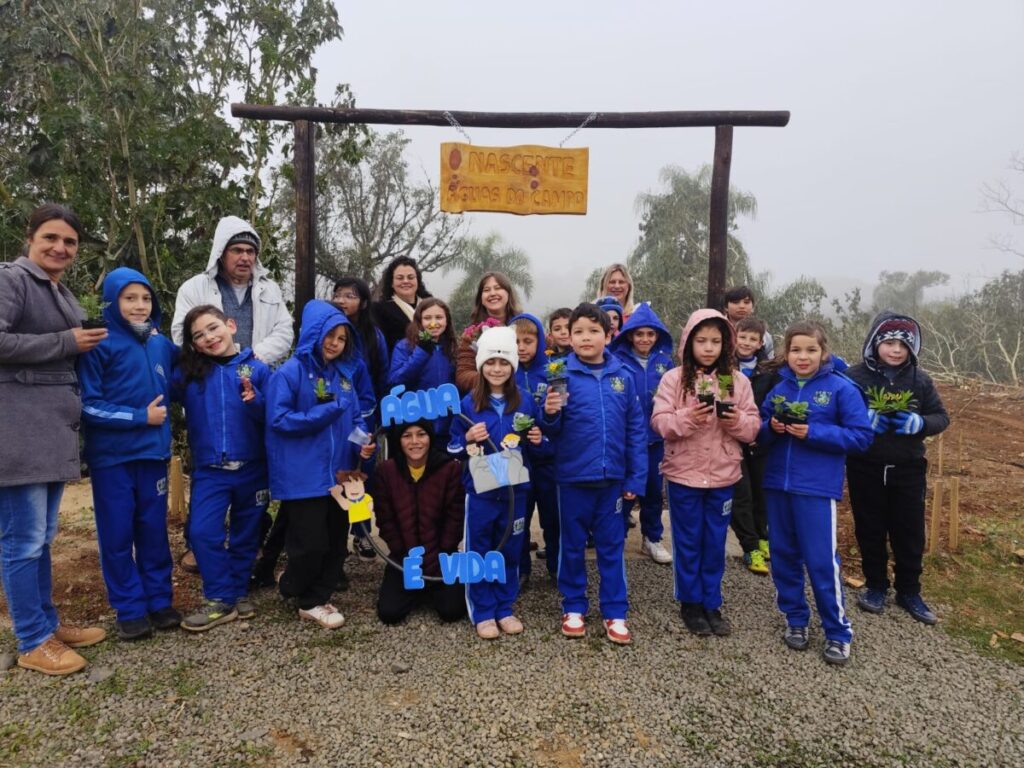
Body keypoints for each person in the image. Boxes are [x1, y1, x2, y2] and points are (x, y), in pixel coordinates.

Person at [0, 204, 107, 676]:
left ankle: (46, 624)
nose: (60, 248)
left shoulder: (57, 290)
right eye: (51, 238)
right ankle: (31, 639)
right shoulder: (12, 280)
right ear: (31, 238)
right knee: (22, 540)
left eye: (69, 242)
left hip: (52, 431)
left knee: (42, 538)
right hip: (19, 429)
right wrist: (67, 342)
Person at [757, 321, 873, 665]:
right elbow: (759, 435)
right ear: (786, 354)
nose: (802, 356)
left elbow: (861, 437)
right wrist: (772, 428)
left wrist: (814, 432)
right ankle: (795, 619)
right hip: (777, 484)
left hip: (816, 489)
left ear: (824, 352)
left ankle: (838, 631)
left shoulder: (841, 389)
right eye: (795, 350)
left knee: (821, 562)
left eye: (810, 350)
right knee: (783, 558)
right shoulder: (778, 388)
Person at [79, 267, 182, 641]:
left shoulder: (159, 343)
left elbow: (193, 364)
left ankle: (159, 601)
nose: (140, 306)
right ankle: (129, 608)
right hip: (113, 460)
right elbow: (88, 405)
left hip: (153, 456)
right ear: (112, 301)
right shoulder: (99, 344)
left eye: (146, 298)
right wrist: (141, 417)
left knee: (153, 532)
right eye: (130, 298)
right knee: (118, 535)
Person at [265, 300, 375, 629]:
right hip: (303, 475)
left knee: (335, 542)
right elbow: (279, 419)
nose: (335, 343)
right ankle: (304, 595)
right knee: (310, 543)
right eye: (330, 335)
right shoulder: (288, 373)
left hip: (340, 475)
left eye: (342, 338)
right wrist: (324, 413)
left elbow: (355, 419)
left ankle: (316, 595)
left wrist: (364, 444)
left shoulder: (342, 377)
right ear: (314, 333)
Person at [540, 303, 647, 645]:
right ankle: (573, 605)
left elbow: (636, 431)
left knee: (611, 547)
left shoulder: (623, 378)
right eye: (579, 332)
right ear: (568, 337)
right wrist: (550, 415)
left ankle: (615, 611)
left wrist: (635, 479)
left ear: (608, 335)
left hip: (612, 480)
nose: (586, 338)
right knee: (571, 546)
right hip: (572, 479)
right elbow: (548, 431)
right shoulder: (559, 374)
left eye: (593, 331)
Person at [651, 309, 760, 636]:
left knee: (715, 540)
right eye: (701, 340)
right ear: (688, 342)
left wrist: (735, 422)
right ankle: (690, 603)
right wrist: (687, 418)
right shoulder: (674, 378)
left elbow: (753, 427)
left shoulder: (736, 380)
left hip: (723, 475)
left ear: (727, 343)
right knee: (688, 540)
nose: (709, 347)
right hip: (684, 474)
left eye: (716, 340)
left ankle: (712, 602)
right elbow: (659, 423)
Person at [845, 312, 949, 624]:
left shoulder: (920, 380)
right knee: (870, 527)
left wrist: (920, 423)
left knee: (909, 530)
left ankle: (909, 590)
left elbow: (941, 417)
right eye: (889, 342)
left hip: (908, 467)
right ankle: (876, 585)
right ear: (874, 344)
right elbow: (838, 413)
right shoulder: (854, 378)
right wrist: (862, 421)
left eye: (904, 344)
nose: (896, 350)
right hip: (865, 465)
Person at [174, 306, 271, 632]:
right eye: (198, 335)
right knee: (202, 533)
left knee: (247, 535)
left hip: (253, 468)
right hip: (210, 470)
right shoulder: (189, 373)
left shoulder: (257, 370)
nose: (209, 337)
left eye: (213, 328)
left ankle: (237, 593)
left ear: (230, 326)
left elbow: (272, 417)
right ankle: (219, 596)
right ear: (193, 344)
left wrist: (256, 401)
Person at [448, 326, 544, 640]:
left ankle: (504, 607)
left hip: (515, 489)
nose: (497, 368)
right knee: (480, 549)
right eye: (491, 362)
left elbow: (536, 445)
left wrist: (537, 439)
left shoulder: (526, 402)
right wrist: (466, 438)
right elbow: (451, 446)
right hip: (481, 490)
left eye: (504, 362)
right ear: (480, 365)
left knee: (511, 548)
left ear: (513, 366)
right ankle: (483, 610)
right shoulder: (467, 404)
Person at [373, 420, 466, 625]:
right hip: (405, 559)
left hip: (441, 558)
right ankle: (418, 590)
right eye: (407, 436)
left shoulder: (449, 468)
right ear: (399, 440)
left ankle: (428, 589)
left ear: (430, 438)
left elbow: (455, 517)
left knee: (452, 611)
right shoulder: (387, 471)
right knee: (389, 613)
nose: (415, 442)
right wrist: (403, 554)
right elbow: (385, 519)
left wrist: (440, 555)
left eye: (421, 434)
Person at [171, 216, 293, 366]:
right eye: (237, 250)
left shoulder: (270, 289)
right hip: (211, 377)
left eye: (250, 251)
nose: (245, 258)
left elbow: (284, 331)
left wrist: (254, 358)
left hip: (258, 376)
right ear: (221, 253)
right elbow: (181, 334)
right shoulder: (193, 288)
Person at [610, 302, 676, 565]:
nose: (645, 339)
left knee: (651, 490)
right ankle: (616, 536)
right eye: (639, 334)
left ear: (658, 335)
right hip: (626, 439)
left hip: (655, 439)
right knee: (624, 489)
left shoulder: (665, 362)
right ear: (629, 335)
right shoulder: (617, 360)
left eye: (650, 334)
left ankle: (652, 538)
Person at [509, 313, 557, 584]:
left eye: (528, 340)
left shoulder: (552, 371)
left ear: (540, 341)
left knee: (552, 517)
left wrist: (546, 435)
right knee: (519, 518)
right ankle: (520, 568)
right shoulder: (505, 373)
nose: (521, 347)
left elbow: (562, 415)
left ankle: (556, 564)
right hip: (516, 459)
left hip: (548, 460)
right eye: (515, 341)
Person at [730, 317, 773, 575]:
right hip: (733, 440)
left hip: (759, 440)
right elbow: (726, 400)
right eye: (742, 337)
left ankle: (763, 537)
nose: (746, 343)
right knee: (741, 494)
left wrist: (761, 430)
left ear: (760, 343)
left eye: (752, 339)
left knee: (761, 492)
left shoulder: (768, 372)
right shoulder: (726, 369)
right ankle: (750, 547)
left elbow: (773, 404)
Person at [387, 298, 458, 444]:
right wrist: (422, 351)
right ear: (419, 321)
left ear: (447, 320)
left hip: (447, 424)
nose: (434, 323)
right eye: (427, 318)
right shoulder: (405, 346)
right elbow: (396, 381)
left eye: (439, 317)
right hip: (416, 423)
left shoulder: (453, 347)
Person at [455, 272, 522, 393]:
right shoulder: (472, 334)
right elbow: (463, 376)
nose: (492, 293)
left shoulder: (524, 326)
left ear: (508, 293)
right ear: (481, 298)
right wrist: (493, 379)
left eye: (498, 288)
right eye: (486, 290)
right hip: (485, 402)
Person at [333, 277, 390, 400]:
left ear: (364, 303)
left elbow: (382, 373)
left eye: (349, 296)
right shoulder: (327, 331)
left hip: (365, 401)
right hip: (333, 399)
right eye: (337, 296)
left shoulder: (374, 335)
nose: (340, 301)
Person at [372, 256, 433, 354]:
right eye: (400, 278)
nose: (405, 281)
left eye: (410, 277)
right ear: (392, 283)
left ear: (417, 280)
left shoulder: (431, 306)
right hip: (400, 366)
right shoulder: (380, 309)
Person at [722, 285, 774, 359]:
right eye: (736, 302)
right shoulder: (717, 328)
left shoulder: (765, 336)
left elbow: (769, 363)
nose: (742, 306)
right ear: (726, 307)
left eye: (746, 302)